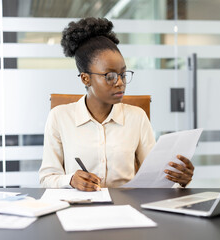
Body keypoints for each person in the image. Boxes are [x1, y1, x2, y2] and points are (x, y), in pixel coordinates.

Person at [39, 17, 194, 191]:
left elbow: (155, 179)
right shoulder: (60, 117)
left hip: (127, 207)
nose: (120, 82)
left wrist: (180, 179)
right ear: (85, 78)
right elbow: (46, 179)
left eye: (123, 74)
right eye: (110, 76)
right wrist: (70, 180)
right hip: (80, 209)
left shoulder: (137, 117)